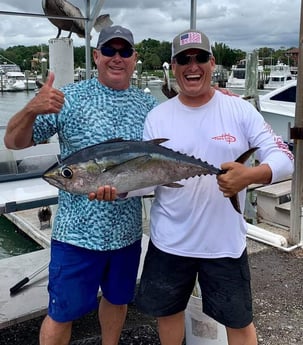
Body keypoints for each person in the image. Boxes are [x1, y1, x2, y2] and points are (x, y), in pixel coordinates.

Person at [93, 29, 294, 345]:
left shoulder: (239, 110)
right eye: (183, 59)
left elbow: (284, 158)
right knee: (168, 315)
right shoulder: (157, 116)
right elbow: (145, 176)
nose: (192, 66)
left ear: (212, 63)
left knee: (239, 323)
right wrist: (115, 190)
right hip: (169, 242)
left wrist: (251, 176)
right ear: (173, 66)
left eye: (200, 57)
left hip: (224, 243)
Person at [4, 25, 158, 345]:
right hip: (75, 235)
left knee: (117, 301)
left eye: (125, 51)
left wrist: (216, 97)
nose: (117, 58)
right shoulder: (69, 98)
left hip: (127, 232)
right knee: (63, 312)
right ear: (96, 55)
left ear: (134, 59)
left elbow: (179, 140)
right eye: (110, 51)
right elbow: (14, 141)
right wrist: (32, 108)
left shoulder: (150, 107)